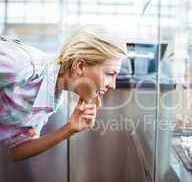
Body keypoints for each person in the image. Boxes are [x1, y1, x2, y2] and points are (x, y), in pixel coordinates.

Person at [0, 26, 127, 162]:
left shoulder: (54, 95)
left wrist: (69, 129)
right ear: (80, 66)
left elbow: (15, 151)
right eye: (109, 74)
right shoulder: (21, 65)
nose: (112, 85)